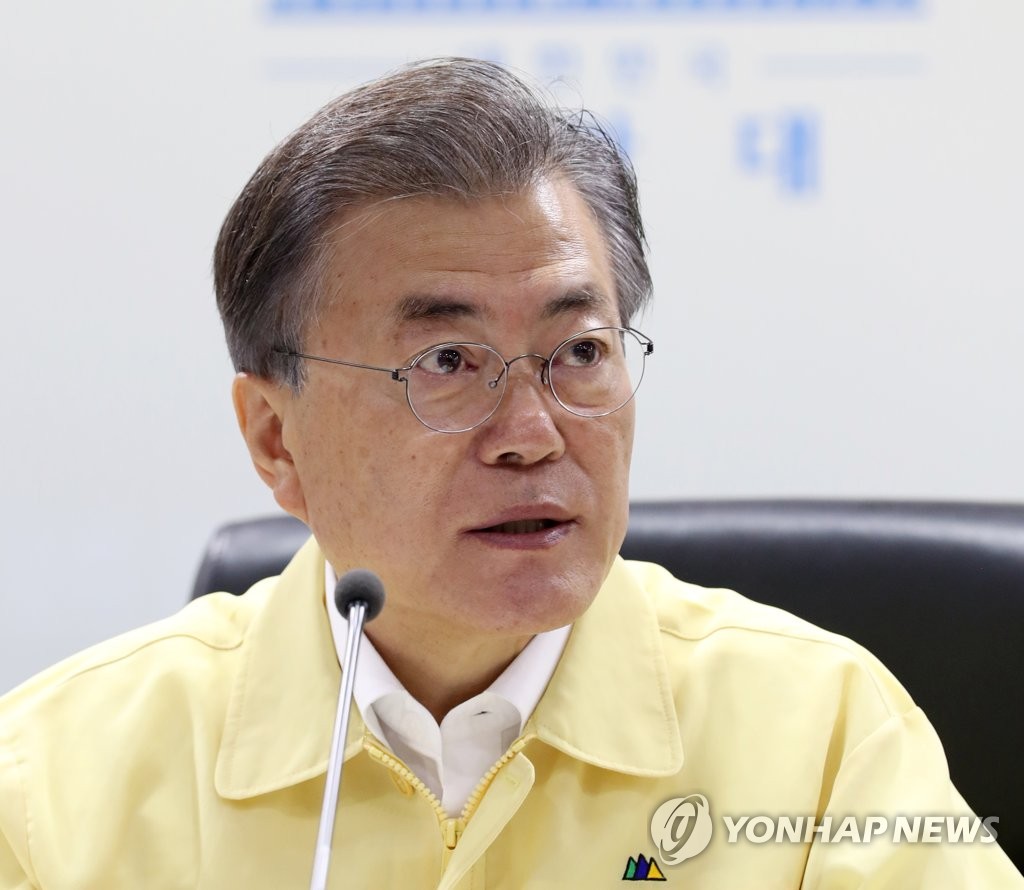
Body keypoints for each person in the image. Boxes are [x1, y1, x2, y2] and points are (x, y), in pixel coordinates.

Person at [0, 58, 1020, 889]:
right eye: (446, 362)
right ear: (275, 438)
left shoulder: (819, 736)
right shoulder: (53, 784)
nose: (531, 433)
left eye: (579, 352)